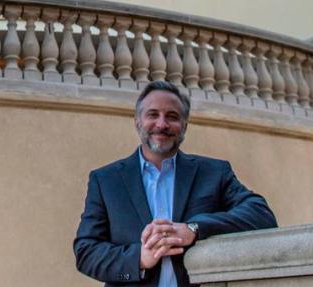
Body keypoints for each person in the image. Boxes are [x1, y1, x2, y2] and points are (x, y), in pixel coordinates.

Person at [73, 80, 277, 286]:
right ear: (137, 122)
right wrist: (138, 260)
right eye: (152, 114)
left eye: (172, 116)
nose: (161, 124)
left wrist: (194, 229)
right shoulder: (106, 180)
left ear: (185, 126)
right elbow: (86, 251)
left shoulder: (213, 172)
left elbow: (261, 214)